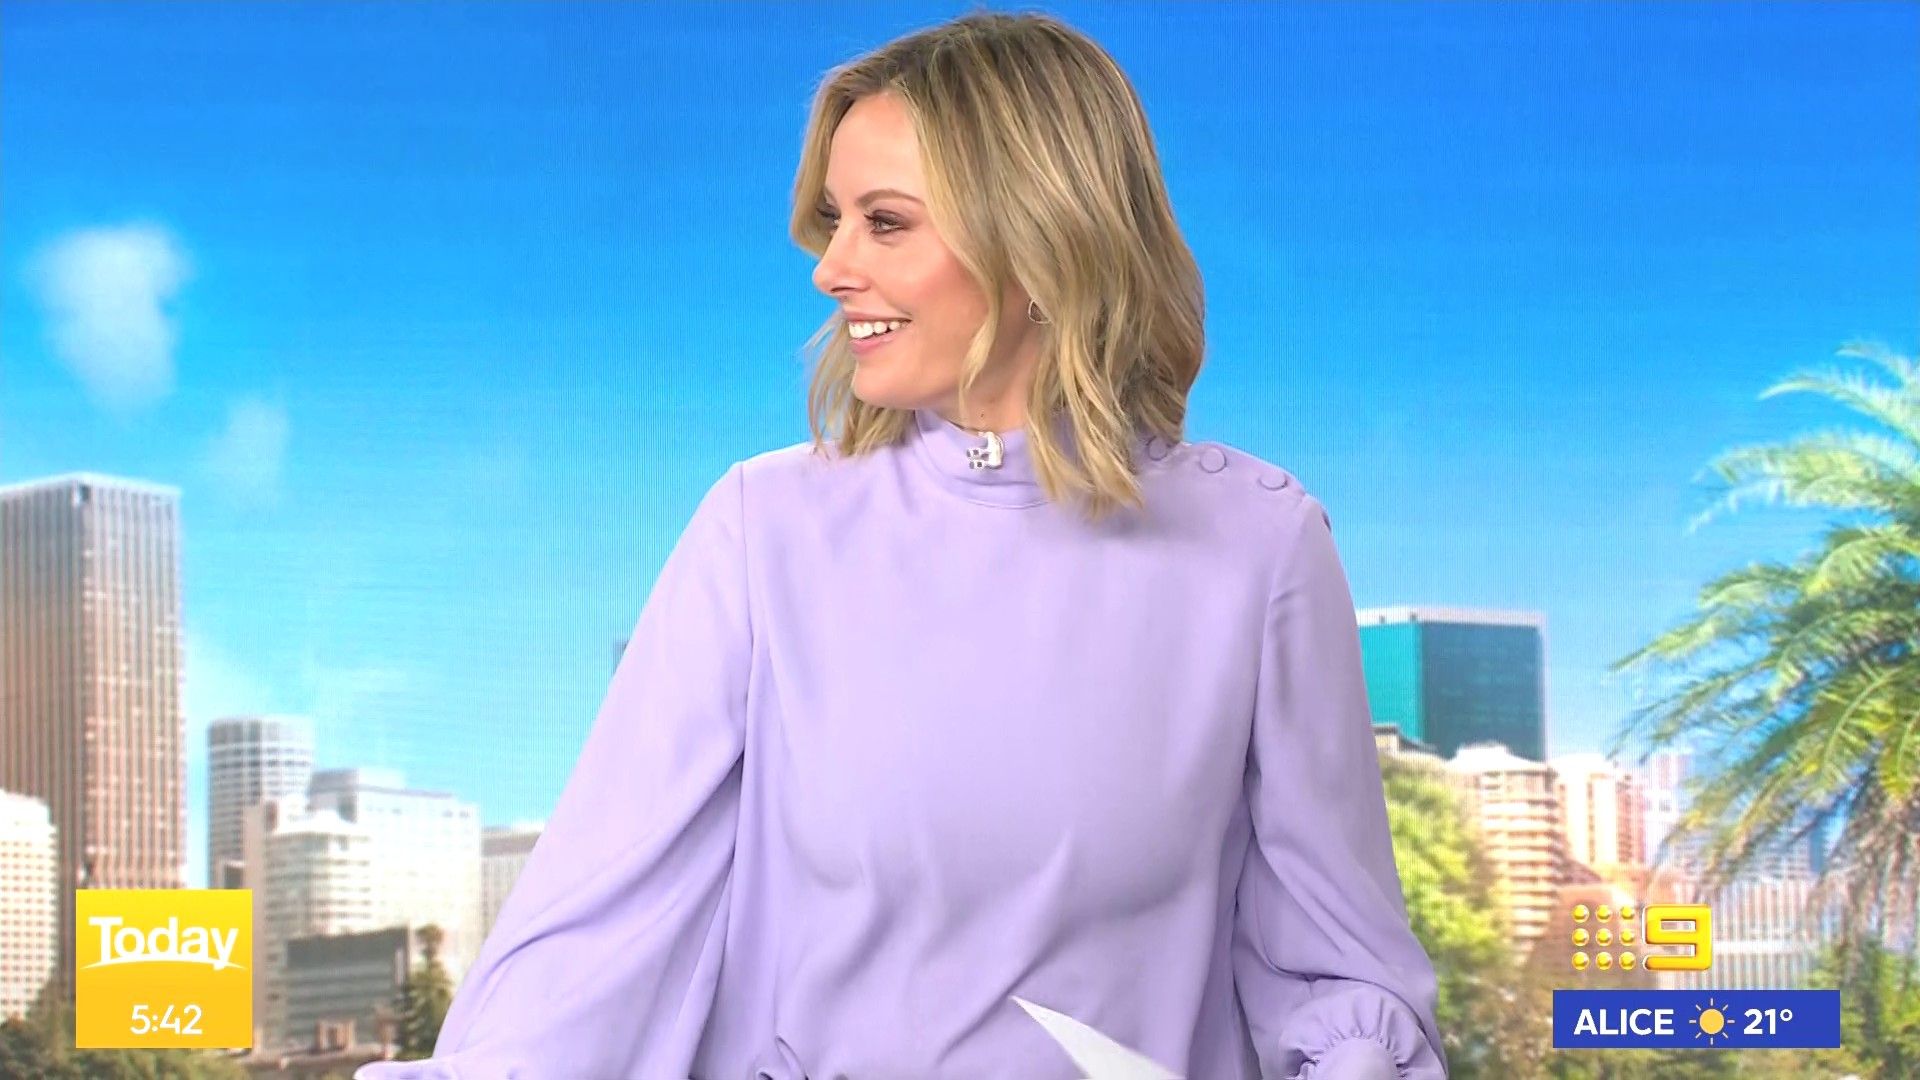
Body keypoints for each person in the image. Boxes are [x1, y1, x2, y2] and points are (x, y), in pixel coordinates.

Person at [355, 11, 1446, 1079]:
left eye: (884, 223)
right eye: (834, 220)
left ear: (1040, 239)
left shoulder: (1259, 547)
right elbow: (598, 933)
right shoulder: (762, 531)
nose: (830, 268)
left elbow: (1332, 963)